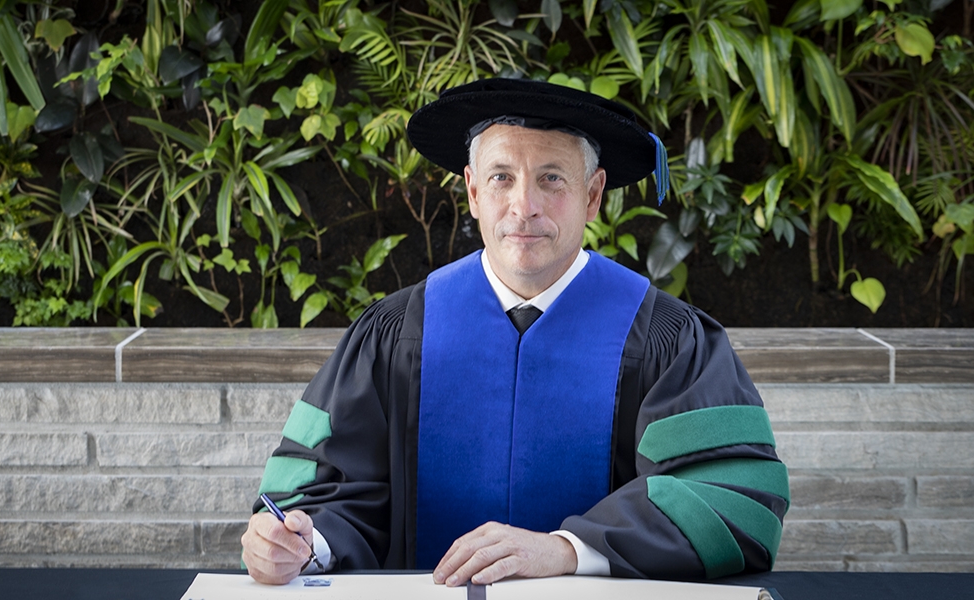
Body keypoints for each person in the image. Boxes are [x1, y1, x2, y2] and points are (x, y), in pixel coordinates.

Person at [240, 78, 788, 587]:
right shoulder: (396, 333)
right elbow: (328, 490)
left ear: (593, 195)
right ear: (474, 192)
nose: (523, 208)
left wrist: (568, 550)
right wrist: (305, 543)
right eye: (502, 177)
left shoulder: (668, 339)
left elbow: (732, 497)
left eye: (552, 179)